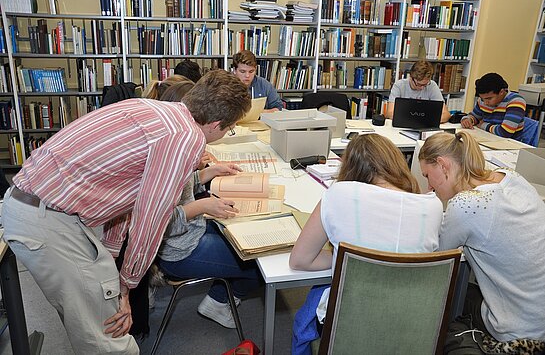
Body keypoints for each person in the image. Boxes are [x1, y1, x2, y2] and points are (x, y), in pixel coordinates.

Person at [1, 69, 251, 354]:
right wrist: (126, 285)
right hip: (47, 220)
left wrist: (113, 260)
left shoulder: (151, 108)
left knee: (96, 318)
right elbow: (151, 219)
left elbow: (124, 197)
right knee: (109, 337)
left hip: (40, 208)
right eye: (229, 129)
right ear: (217, 124)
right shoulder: (186, 137)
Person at [289, 133, 443, 355]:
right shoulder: (433, 206)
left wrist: (343, 257)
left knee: (315, 297)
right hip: (415, 329)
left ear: (350, 167)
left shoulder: (338, 194)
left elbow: (300, 260)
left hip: (350, 326)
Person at [151, 79, 262, 329]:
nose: (228, 131)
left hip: (191, 230)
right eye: (229, 128)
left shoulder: (179, 135)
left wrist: (206, 175)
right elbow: (158, 218)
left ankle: (221, 293)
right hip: (179, 250)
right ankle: (218, 301)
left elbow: (177, 185)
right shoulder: (182, 144)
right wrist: (203, 207)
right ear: (215, 125)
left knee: (245, 233)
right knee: (259, 265)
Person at [418, 131, 545, 342]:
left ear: (442, 165)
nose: (429, 186)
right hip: (539, 315)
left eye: (427, 176)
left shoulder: (466, 205)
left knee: (453, 295)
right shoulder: (512, 177)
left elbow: (436, 258)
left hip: (520, 331)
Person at [460, 72, 527, 142]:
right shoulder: (483, 100)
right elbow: (475, 116)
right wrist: (467, 120)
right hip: (487, 138)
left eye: (489, 98)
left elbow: (505, 132)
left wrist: (483, 125)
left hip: (509, 144)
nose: (485, 102)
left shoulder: (516, 101)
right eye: (482, 99)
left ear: (501, 92)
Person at [386, 60, 451, 123]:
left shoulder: (432, 85)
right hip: (403, 125)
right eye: (419, 84)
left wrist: (425, 121)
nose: (422, 88)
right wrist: (417, 120)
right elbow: (390, 112)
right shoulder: (399, 85)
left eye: (425, 84)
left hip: (425, 125)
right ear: (411, 78)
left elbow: (446, 114)